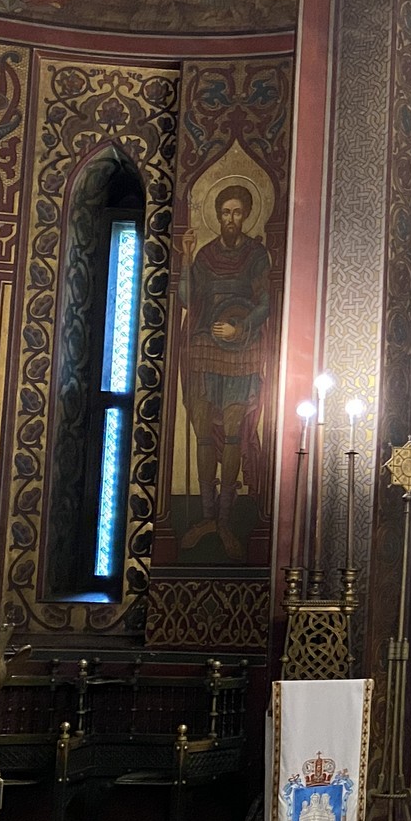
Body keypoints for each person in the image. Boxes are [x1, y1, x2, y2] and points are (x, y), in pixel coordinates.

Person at [179, 184, 272, 558]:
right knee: (203, 431)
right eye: (225, 212)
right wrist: (186, 258)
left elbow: (265, 303)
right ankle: (205, 517)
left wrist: (241, 327)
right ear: (217, 216)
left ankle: (226, 520)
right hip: (205, 344)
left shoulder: (255, 255)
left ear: (245, 215)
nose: (230, 219)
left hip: (241, 347)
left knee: (233, 432)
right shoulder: (205, 255)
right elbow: (186, 298)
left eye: (237, 212)